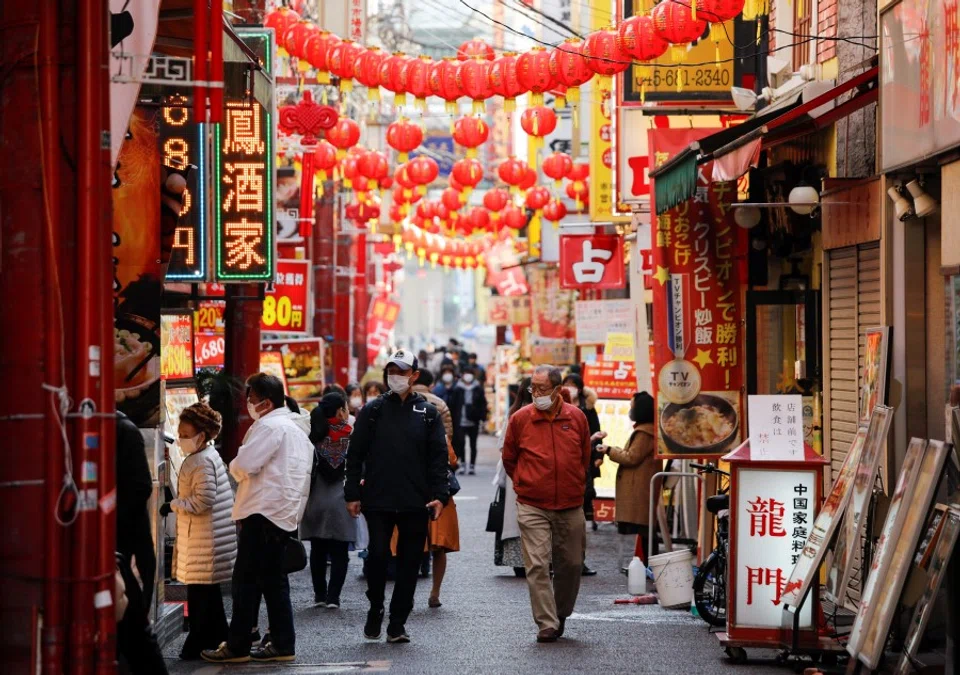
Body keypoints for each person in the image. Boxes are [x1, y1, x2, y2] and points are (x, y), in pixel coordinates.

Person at [202, 374, 313, 664]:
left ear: (265, 402)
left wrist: (234, 467)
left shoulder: (270, 426)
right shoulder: (295, 429)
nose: (248, 404)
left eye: (251, 398)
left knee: (246, 581)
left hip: (262, 513)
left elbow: (245, 464)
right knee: (272, 582)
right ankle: (281, 642)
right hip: (282, 514)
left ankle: (238, 645)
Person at [345, 349, 449, 644]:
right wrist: (351, 493)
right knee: (377, 556)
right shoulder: (373, 410)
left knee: (409, 563)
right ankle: (375, 607)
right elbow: (355, 455)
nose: (396, 377)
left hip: (417, 502)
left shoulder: (427, 413)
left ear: (414, 375)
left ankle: (398, 622)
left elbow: (438, 459)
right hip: (377, 499)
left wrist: (441, 496)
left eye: (402, 372)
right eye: (392, 371)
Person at [502, 365, 592, 643]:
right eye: (533, 388)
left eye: (542, 389)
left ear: (557, 390)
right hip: (532, 504)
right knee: (537, 565)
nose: (536, 393)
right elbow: (509, 458)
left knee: (572, 563)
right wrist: (523, 482)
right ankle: (546, 622)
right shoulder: (520, 419)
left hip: (570, 503)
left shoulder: (576, 417)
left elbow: (584, 457)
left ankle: (561, 612)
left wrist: (574, 482)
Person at [161, 402, 237, 660]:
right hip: (208, 538)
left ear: (201, 436)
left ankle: (198, 643)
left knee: (200, 596)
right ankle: (218, 637)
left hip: (204, 541)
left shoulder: (201, 461)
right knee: (208, 594)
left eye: (184, 435)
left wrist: (172, 505)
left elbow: (203, 501)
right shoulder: (206, 455)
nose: (180, 439)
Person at [116, 412, 167, 674]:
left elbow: (140, 488)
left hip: (124, 551)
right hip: (124, 549)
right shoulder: (122, 428)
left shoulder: (122, 429)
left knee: (135, 632)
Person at [301, 392, 355, 609]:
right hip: (342, 502)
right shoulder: (351, 435)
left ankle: (319, 596)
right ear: (340, 411)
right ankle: (334, 597)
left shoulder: (312, 436)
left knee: (318, 550)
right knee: (340, 551)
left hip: (315, 502)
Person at [410, 369, 459, 607]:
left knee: (409, 544)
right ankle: (435, 593)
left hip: (409, 487)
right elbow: (452, 459)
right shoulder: (440, 413)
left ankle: (407, 591)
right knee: (438, 545)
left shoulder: (401, 416)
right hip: (439, 489)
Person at [597, 392, 660, 565]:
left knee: (645, 530)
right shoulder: (647, 430)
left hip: (639, 488)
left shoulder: (645, 433)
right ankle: (647, 565)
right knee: (646, 530)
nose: (630, 409)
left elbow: (631, 457)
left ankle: (649, 566)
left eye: (633, 406)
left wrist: (609, 450)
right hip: (642, 485)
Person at [562, 373, 604, 576]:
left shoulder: (587, 410)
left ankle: (579, 561)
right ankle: (564, 562)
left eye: (573, 385)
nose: (570, 388)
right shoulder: (556, 411)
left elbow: (595, 432)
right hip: (562, 473)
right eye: (566, 385)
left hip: (581, 471)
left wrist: (596, 456)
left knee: (578, 521)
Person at [493, 378, 533, 577]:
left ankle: (518, 561)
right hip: (524, 472)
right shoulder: (519, 415)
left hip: (515, 473)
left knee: (518, 517)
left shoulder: (513, 414)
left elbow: (503, 445)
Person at [450, 366, 488, 475]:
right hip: (460, 419)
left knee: (473, 444)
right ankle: (462, 463)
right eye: (466, 373)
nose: (468, 376)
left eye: (469, 373)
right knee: (460, 443)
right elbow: (453, 405)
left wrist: (483, 417)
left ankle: (472, 465)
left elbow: (482, 404)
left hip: (473, 419)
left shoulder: (478, 388)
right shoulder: (458, 388)